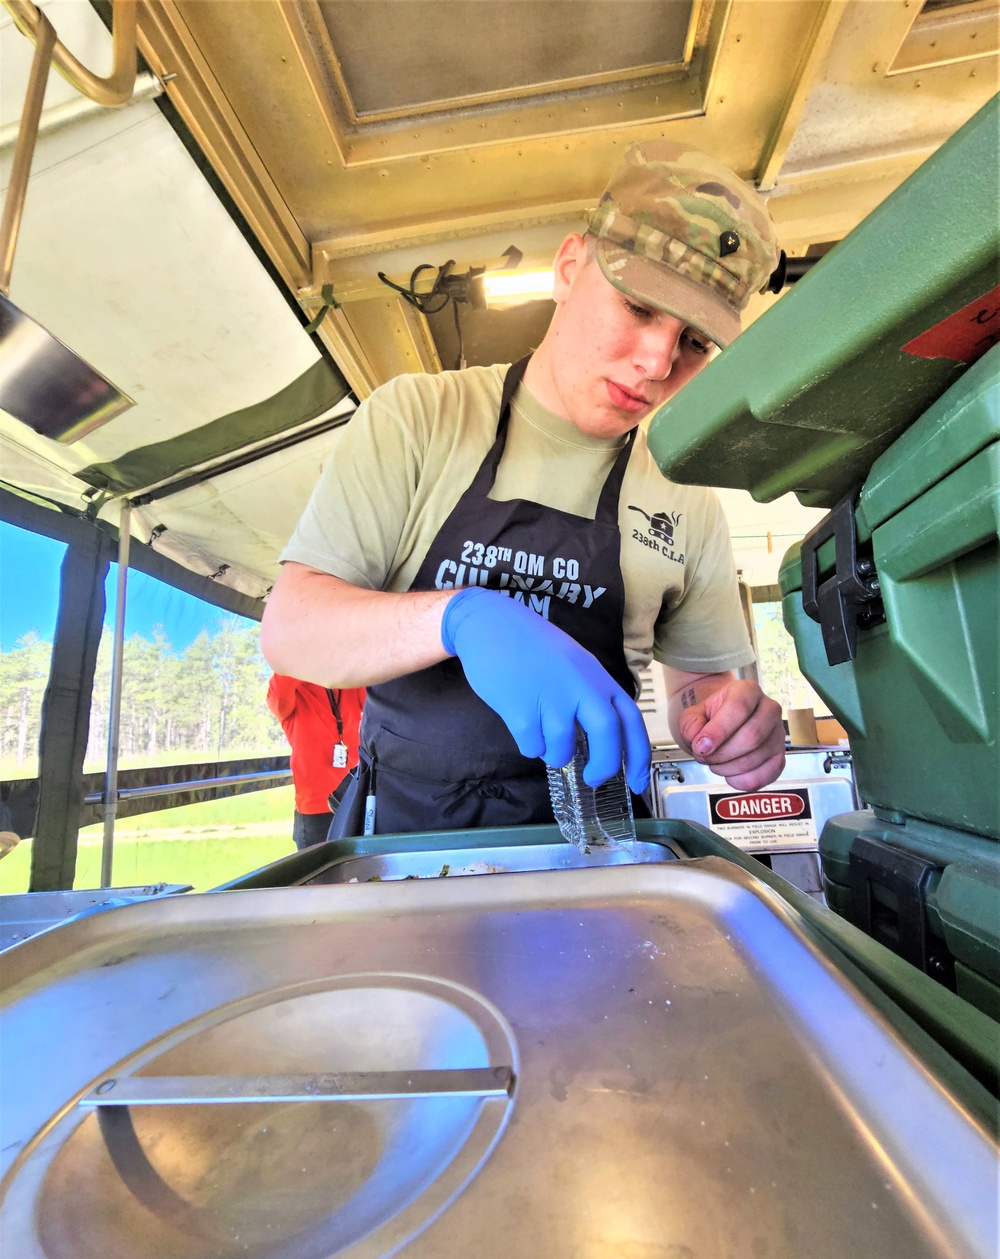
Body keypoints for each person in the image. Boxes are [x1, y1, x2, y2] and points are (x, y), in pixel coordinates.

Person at [262, 139, 786, 836]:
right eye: (637, 306)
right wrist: (461, 619)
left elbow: (700, 688)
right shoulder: (420, 419)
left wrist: (729, 721)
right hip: (406, 853)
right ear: (570, 267)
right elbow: (294, 630)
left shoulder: (683, 494)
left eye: (695, 342)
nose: (659, 360)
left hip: (594, 855)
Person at [266, 674, 365, 849]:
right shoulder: (293, 690)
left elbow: (378, 693)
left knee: (357, 873)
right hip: (315, 811)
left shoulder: (349, 683)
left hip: (351, 804)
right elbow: (278, 694)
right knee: (318, 876)